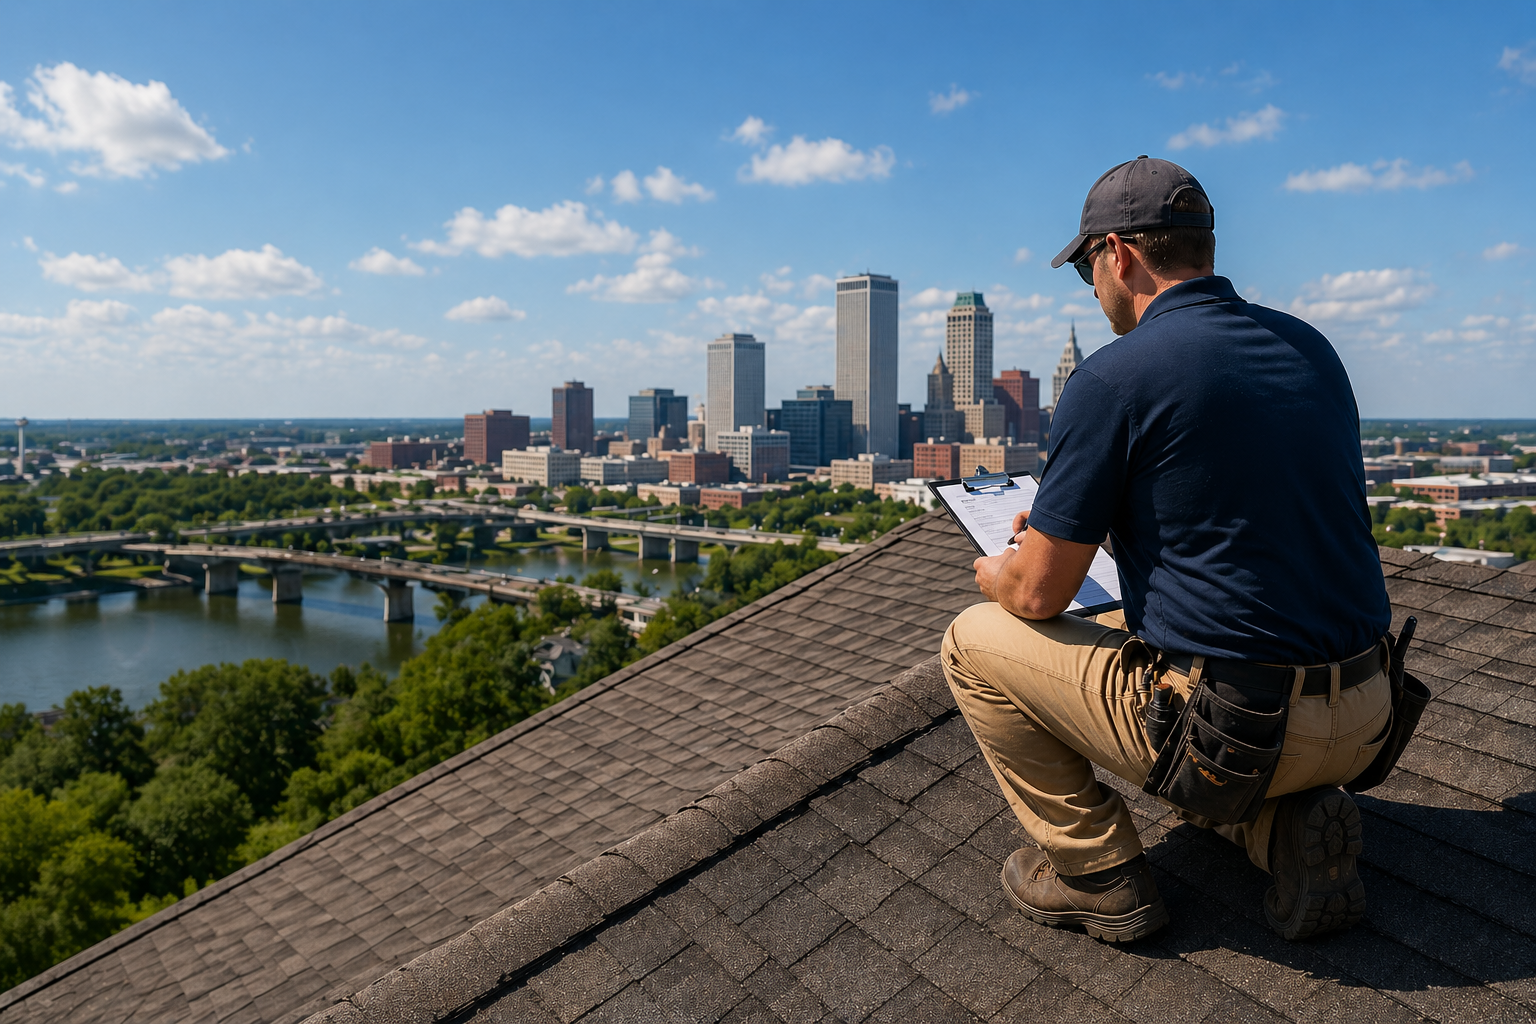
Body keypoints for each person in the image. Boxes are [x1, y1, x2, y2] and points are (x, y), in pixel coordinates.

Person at [941, 157, 1392, 943]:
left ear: (1118, 254)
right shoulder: (1311, 349)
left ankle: (1099, 874)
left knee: (972, 642)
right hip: (1367, 712)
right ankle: (1281, 834)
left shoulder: (1114, 378)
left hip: (1241, 727)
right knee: (1144, 633)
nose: (1091, 287)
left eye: (1086, 268)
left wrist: (1001, 572)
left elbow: (1040, 595)